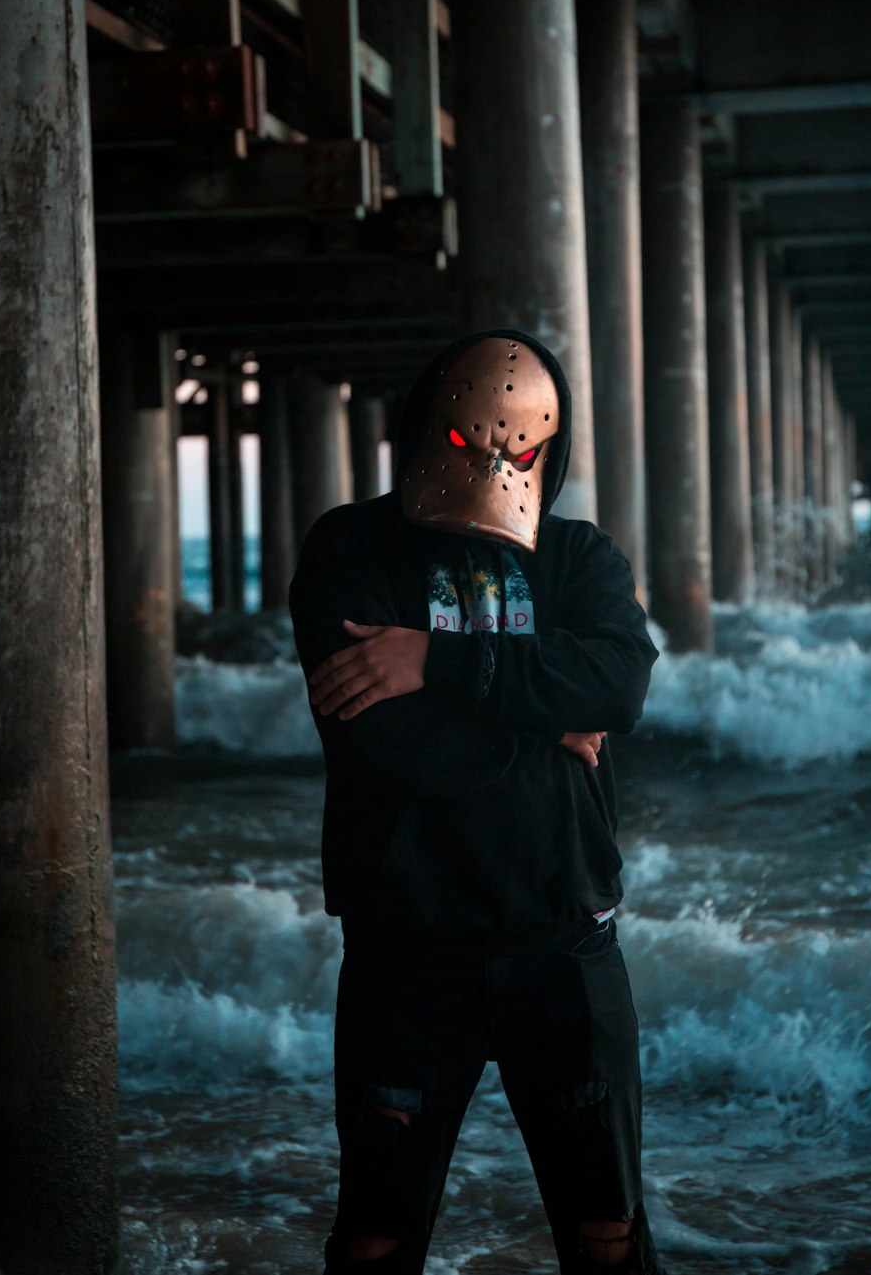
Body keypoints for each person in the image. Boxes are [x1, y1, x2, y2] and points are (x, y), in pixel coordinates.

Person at [290, 329, 665, 1274]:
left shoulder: (577, 557)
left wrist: (433, 656)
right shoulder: (351, 548)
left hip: (565, 942)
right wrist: (548, 722)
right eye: (467, 438)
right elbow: (387, 749)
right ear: (428, 422)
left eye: (521, 445)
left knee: (608, 1234)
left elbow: (619, 686)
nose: (496, 461)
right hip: (406, 950)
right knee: (376, 1237)